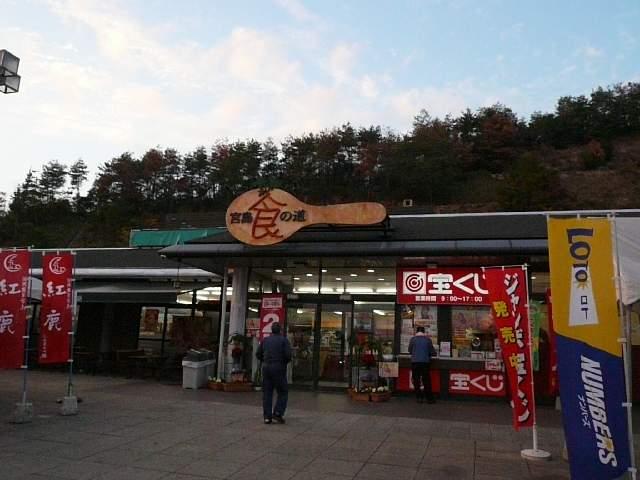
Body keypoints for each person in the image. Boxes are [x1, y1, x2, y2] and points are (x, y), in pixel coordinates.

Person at [255, 322, 292, 424]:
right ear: (280, 330)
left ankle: (267, 417)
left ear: (271, 330)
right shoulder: (284, 340)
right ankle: (278, 412)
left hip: (266, 367)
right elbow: (288, 356)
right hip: (279, 368)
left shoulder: (265, 340)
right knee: (283, 391)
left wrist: (265, 360)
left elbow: (258, 353)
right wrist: (283, 362)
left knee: (267, 392)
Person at [408, 326, 436, 403]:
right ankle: (429, 398)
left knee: (416, 380)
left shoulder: (413, 339)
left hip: (415, 362)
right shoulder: (427, 340)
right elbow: (432, 352)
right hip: (425, 362)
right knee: (426, 380)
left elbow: (409, 350)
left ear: (416, 332)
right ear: (424, 332)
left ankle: (419, 397)